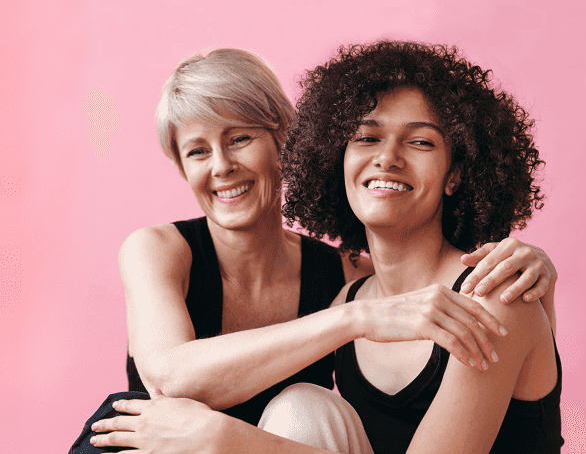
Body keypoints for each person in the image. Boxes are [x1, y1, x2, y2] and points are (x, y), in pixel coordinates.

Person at [81, 45, 558, 454]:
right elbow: (170, 378)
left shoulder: (375, 280)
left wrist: (227, 439)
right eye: (197, 151)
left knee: (303, 408)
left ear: (285, 144)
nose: (222, 166)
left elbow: (527, 372)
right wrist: (360, 318)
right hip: (161, 442)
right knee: (304, 407)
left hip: (222, 441)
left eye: (240, 138)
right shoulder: (353, 300)